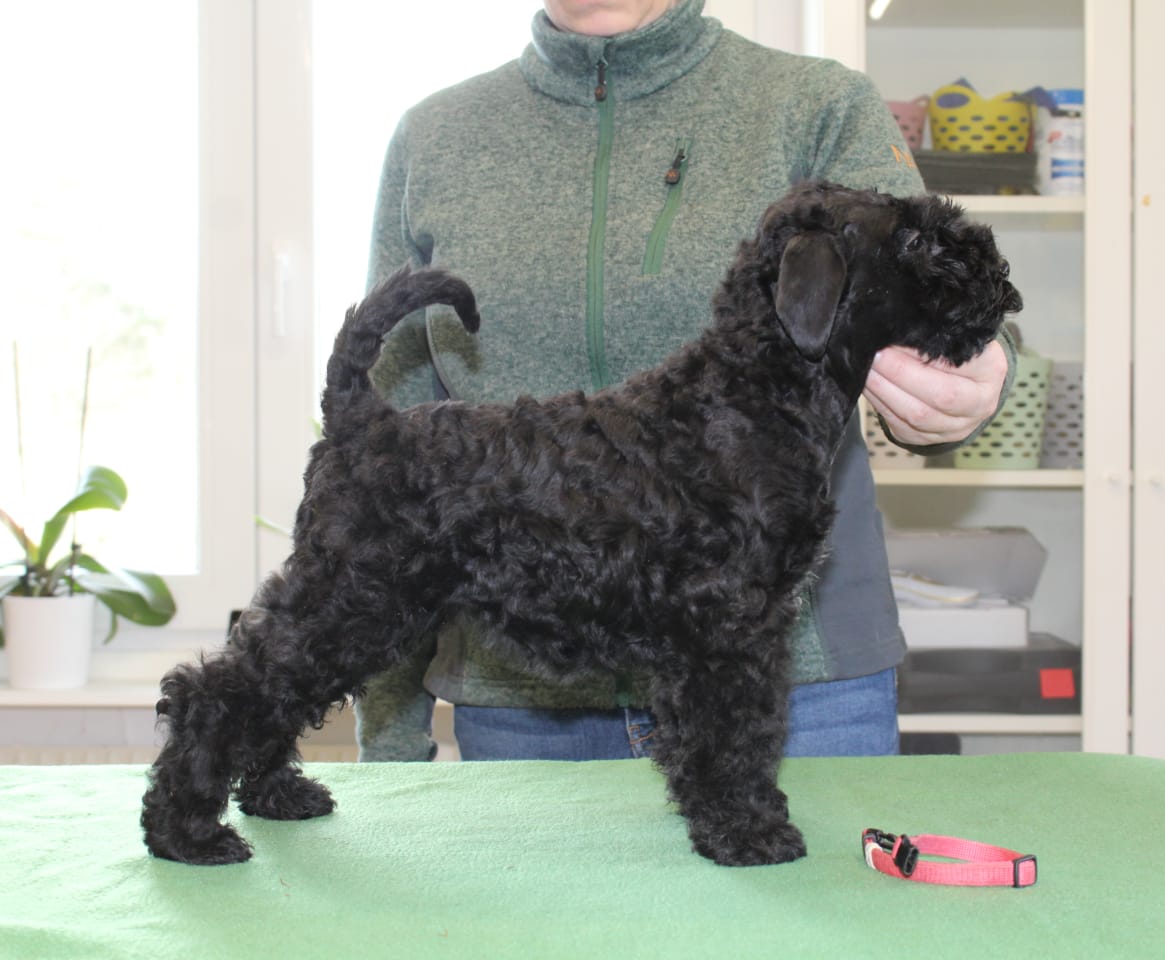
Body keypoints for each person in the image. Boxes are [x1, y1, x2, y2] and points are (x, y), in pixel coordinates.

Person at [354, 0, 1014, 763]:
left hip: (793, 688)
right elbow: (390, 467)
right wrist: (391, 747)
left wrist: (980, 372)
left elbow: (933, 286)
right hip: (530, 696)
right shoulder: (434, 136)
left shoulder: (816, 105)